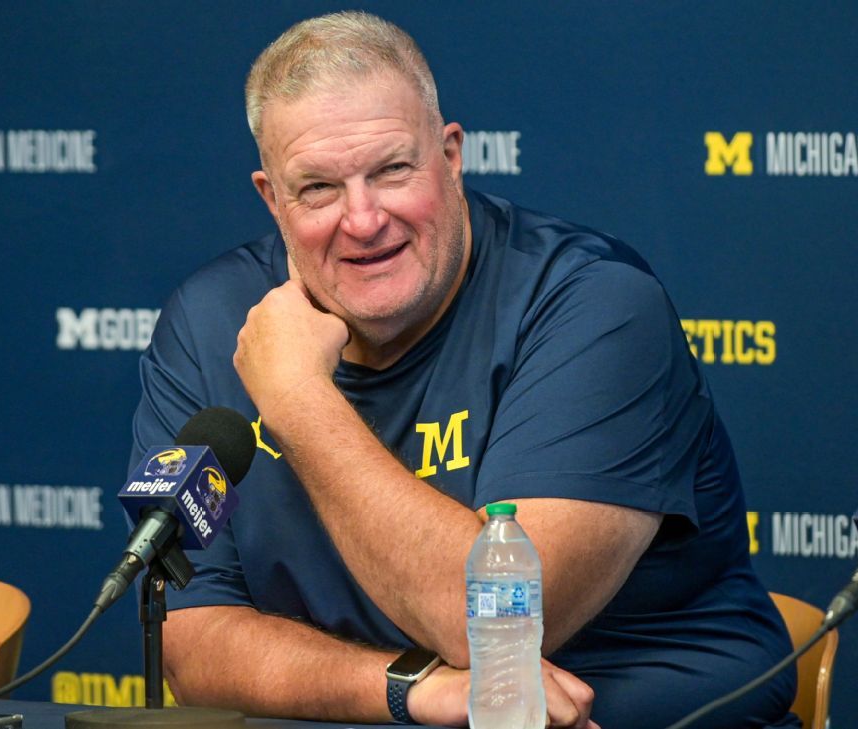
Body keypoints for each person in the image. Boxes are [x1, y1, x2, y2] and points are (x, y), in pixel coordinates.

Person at [129, 11, 798, 728]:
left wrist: (296, 397)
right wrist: (411, 689)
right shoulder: (210, 321)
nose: (363, 220)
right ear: (272, 198)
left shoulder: (595, 304)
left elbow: (491, 621)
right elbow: (190, 642)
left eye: (392, 170)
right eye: (318, 187)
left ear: (450, 156)